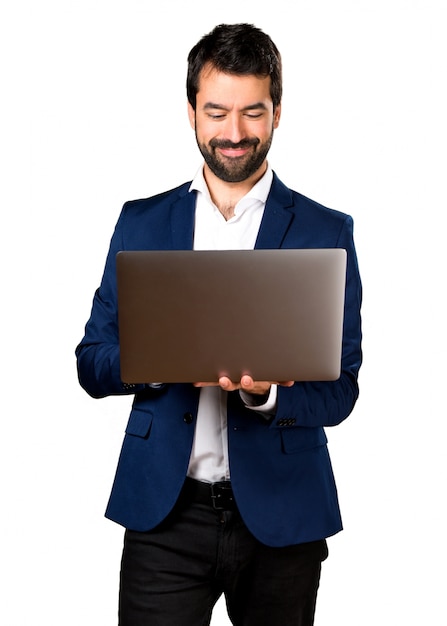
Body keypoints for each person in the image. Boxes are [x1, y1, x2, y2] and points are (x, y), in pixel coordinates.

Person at [76, 23, 362, 626]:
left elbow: (341, 390)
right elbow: (91, 359)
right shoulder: (142, 224)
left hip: (283, 518)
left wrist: (266, 396)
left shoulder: (326, 231)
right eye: (217, 112)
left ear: (277, 113)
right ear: (192, 113)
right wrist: (150, 360)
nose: (234, 134)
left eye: (252, 112)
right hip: (165, 516)